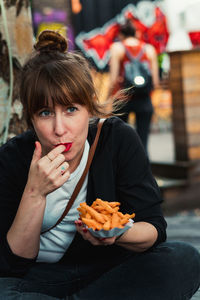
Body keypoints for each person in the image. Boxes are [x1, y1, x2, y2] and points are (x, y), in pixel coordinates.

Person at [0, 30, 199, 300]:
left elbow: (154, 229)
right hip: (39, 279)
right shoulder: (13, 157)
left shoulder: (117, 139)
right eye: (45, 113)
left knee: (183, 259)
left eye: (71, 109)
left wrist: (117, 234)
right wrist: (34, 193)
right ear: (31, 120)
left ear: (90, 109)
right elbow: (13, 263)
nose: (60, 129)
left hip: (107, 271)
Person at [108, 19, 160, 153]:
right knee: (143, 142)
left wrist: (109, 98)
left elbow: (113, 79)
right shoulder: (149, 49)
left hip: (123, 99)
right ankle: (144, 172)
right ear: (136, 33)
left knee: (121, 141)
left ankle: (124, 172)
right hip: (144, 99)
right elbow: (155, 82)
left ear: (120, 35)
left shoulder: (117, 48)